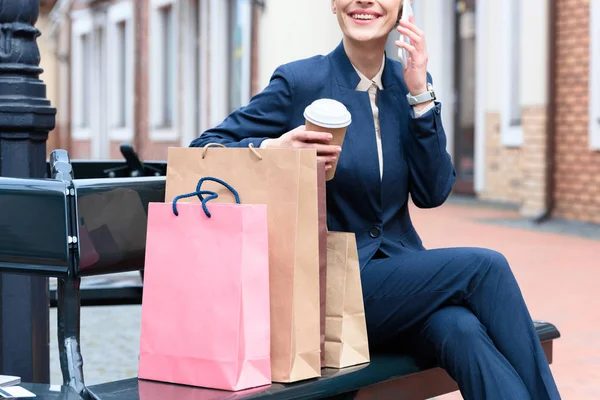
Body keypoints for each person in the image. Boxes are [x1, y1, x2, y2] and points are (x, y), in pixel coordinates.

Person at [190, 1, 561, 398]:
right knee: (485, 267)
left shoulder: (409, 84)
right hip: (327, 288)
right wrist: (275, 146)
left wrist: (421, 95)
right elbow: (204, 149)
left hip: (398, 282)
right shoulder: (300, 81)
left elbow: (433, 192)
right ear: (334, 4)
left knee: (461, 329)